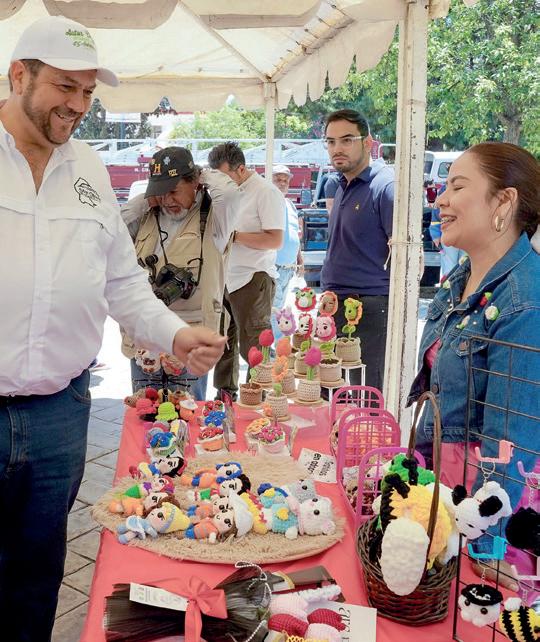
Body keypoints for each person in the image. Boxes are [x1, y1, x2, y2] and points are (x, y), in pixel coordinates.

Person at [0, 17, 225, 642]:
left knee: (37, 571)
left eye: (87, 92)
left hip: (59, 414)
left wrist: (175, 335)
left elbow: (122, 283)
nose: (78, 105)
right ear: (19, 76)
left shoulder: (91, 171)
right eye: (64, 86)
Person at [408, 142, 540, 589]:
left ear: (504, 201)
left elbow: (513, 443)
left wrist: (487, 542)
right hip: (446, 486)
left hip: (484, 512)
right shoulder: (461, 277)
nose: (441, 199)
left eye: (457, 187)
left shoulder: (525, 300)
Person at [121, 147, 240, 399]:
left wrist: (201, 173)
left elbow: (230, 192)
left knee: (188, 415)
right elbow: (111, 228)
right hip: (145, 340)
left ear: (194, 182)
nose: (167, 200)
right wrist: (147, 199)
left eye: (173, 191)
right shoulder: (146, 215)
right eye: (160, 192)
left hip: (191, 341)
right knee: (143, 413)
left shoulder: (215, 220)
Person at [320, 109, 395, 392]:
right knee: (333, 395)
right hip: (335, 303)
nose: (337, 148)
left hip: (370, 306)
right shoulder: (342, 184)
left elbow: (408, 258)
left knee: (369, 396)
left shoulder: (385, 186)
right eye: (331, 142)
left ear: (367, 142)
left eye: (346, 140)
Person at [207, 142, 285, 398]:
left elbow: (275, 240)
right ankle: (224, 396)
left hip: (253, 277)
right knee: (223, 342)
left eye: (225, 177)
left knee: (254, 346)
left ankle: (258, 399)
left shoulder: (265, 192)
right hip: (224, 278)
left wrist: (235, 236)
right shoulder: (222, 194)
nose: (221, 183)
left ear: (241, 169)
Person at [270, 164, 304, 339]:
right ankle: (275, 347)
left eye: (285, 180)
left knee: (280, 308)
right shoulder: (267, 202)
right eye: (278, 179)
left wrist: (300, 260)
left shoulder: (290, 204)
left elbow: (295, 233)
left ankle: (276, 346)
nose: (282, 183)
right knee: (275, 310)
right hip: (273, 266)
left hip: (288, 268)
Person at [428, 183, 467, 279]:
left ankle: (452, 286)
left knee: (456, 266)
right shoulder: (470, 187)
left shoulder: (446, 188)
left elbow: (436, 212)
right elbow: (437, 212)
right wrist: (436, 234)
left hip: (458, 233)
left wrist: (435, 234)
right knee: (462, 265)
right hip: (458, 233)